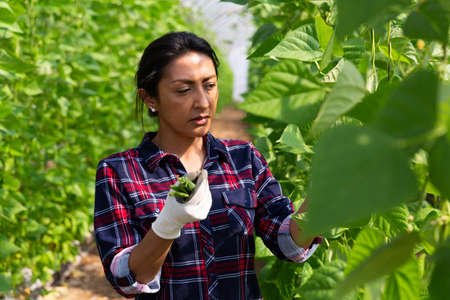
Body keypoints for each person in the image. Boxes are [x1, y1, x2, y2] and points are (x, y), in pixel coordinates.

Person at [94, 31, 321, 300]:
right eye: (183, 90)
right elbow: (126, 280)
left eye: (209, 85)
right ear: (149, 99)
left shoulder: (243, 159)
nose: (202, 102)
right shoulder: (120, 172)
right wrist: (167, 224)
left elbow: (289, 244)